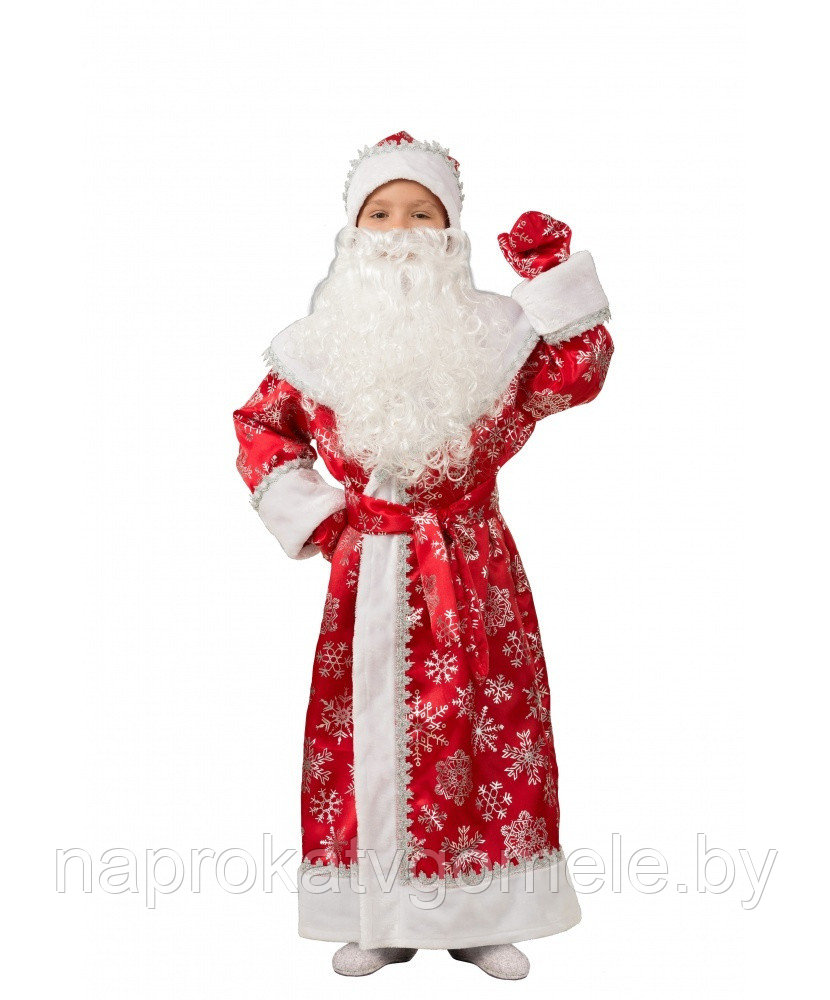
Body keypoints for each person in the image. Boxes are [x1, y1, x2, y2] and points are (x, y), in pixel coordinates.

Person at [232, 131, 614, 980]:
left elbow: (577, 371)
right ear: (352, 230)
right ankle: (377, 918)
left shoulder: (496, 336)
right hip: (369, 567)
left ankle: (484, 917)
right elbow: (262, 429)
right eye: (381, 214)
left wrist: (549, 276)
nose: (400, 231)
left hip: (474, 568)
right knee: (367, 737)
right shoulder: (315, 346)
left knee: (486, 729)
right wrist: (321, 521)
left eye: (421, 213)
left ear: (450, 232)